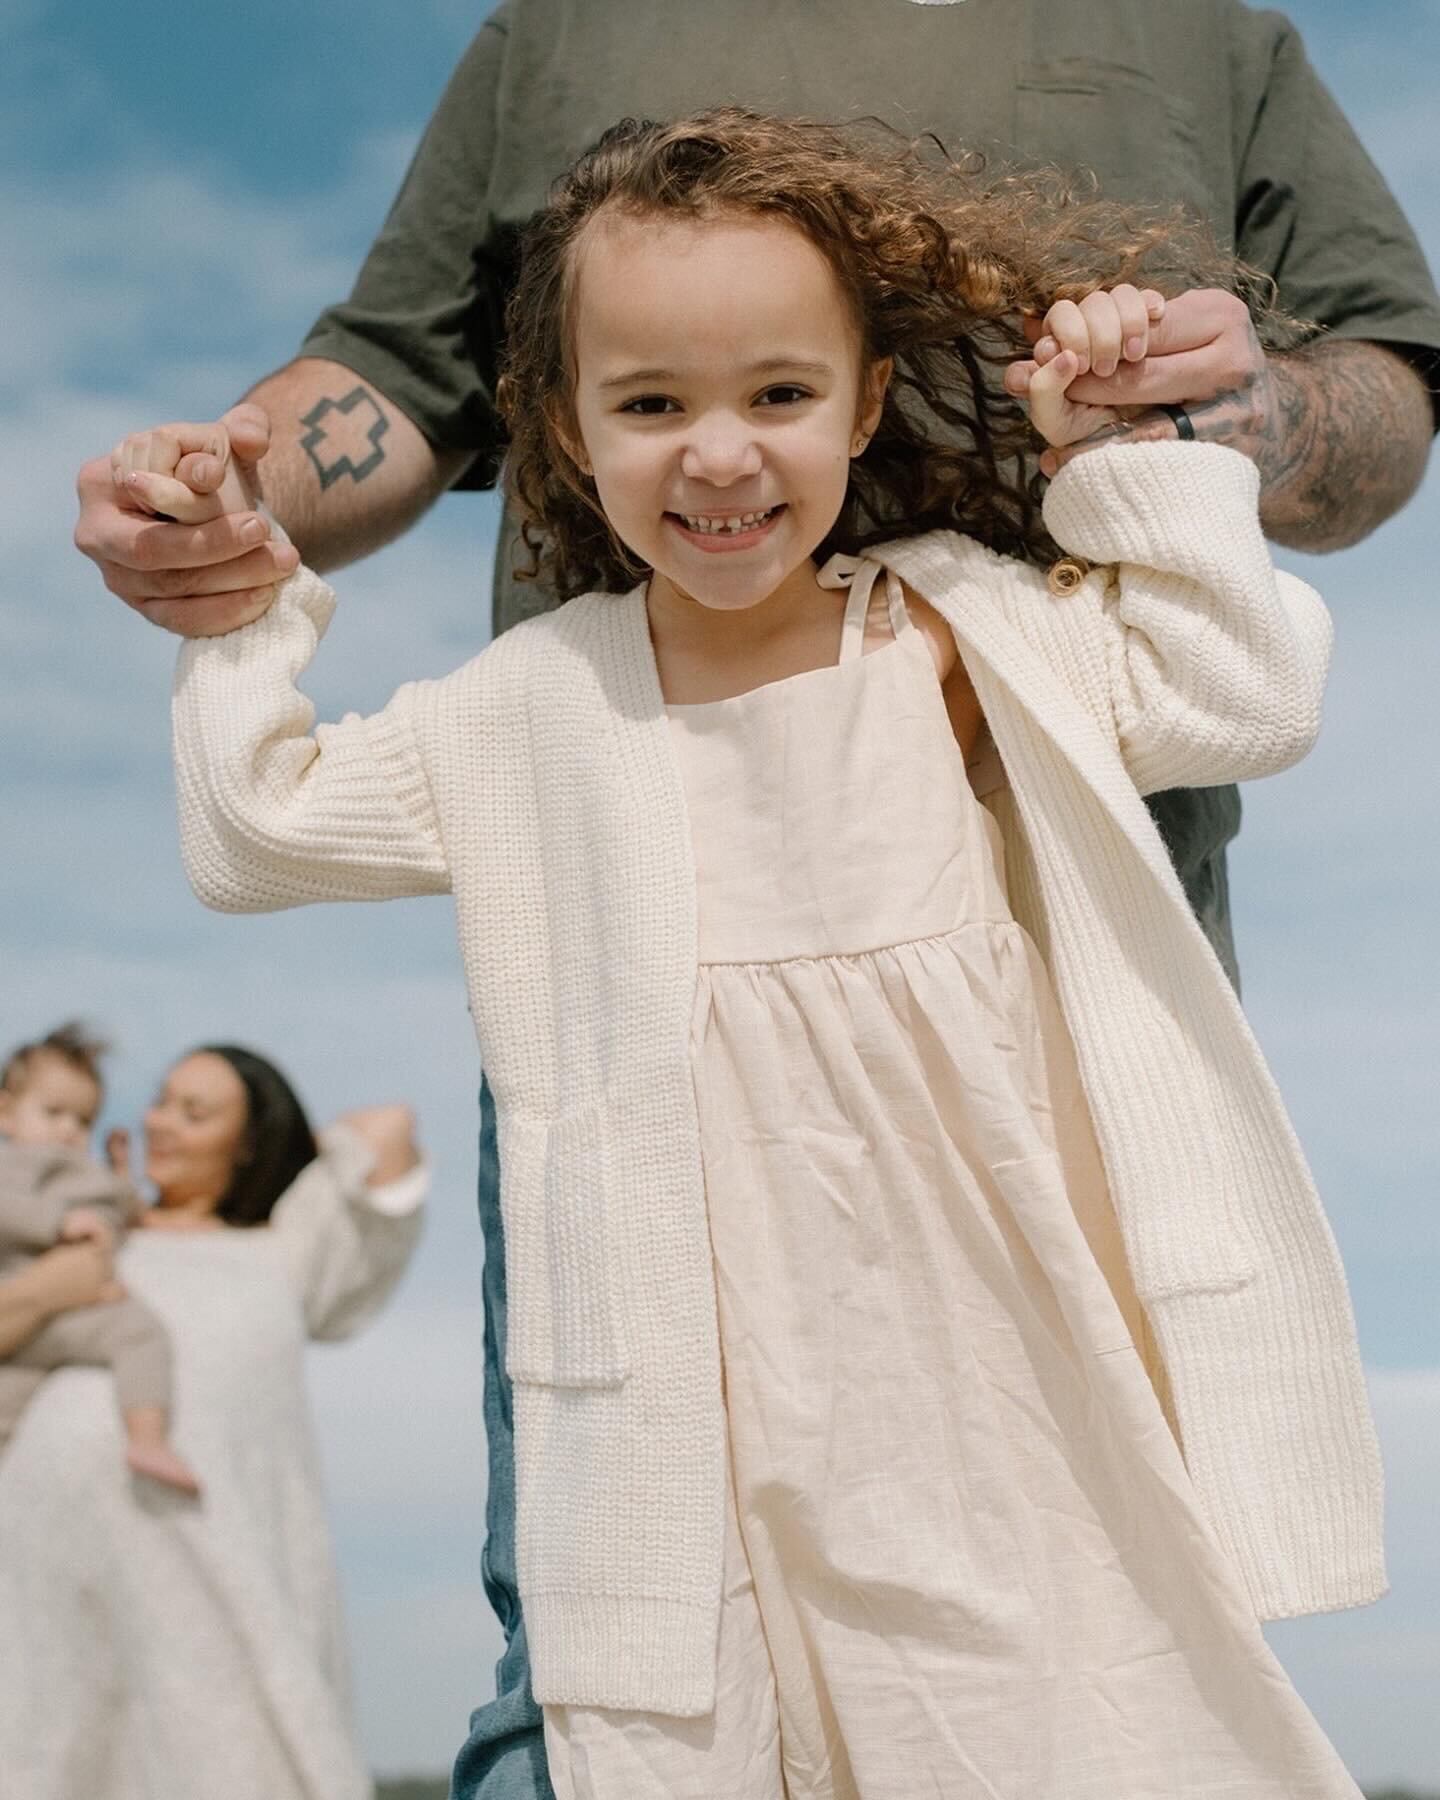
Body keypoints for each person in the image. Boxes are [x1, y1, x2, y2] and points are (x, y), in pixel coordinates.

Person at [70, 6, 1440, 1791]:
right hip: (652, 1244)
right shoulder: (537, 708)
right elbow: (258, 824)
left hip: (1016, 1223)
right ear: (559, 425)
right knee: (624, 1692)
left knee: (1068, 1661)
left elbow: (1251, 673)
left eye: (779, 396)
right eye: (648, 404)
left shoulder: (981, 632)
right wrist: (239, 573)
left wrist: (1146, 454)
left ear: (862, 400)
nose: (719, 456)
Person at [0, 1043, 426, 1800]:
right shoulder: (88, 1229)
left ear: (251, 1142)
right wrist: (47, 1285)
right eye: (161, 1100)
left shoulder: (282, 1249)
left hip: (215, 1586)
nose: (161, 1121)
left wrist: (290, 1157)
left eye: (195, 1113)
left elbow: (388, 1128)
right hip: (43, 1595)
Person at [0, 1022, 201, 1494]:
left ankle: (148, 1438)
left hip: (66, 1320)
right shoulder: (16, 1162)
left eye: (83, 1120)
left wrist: (120, 1177)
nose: (68, 1130)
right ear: (6, 1112)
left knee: (139, 1333)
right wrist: (56, 1223)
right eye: (53, 1112)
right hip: (15, 1303)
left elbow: (127, 1211)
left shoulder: (86, 1173)